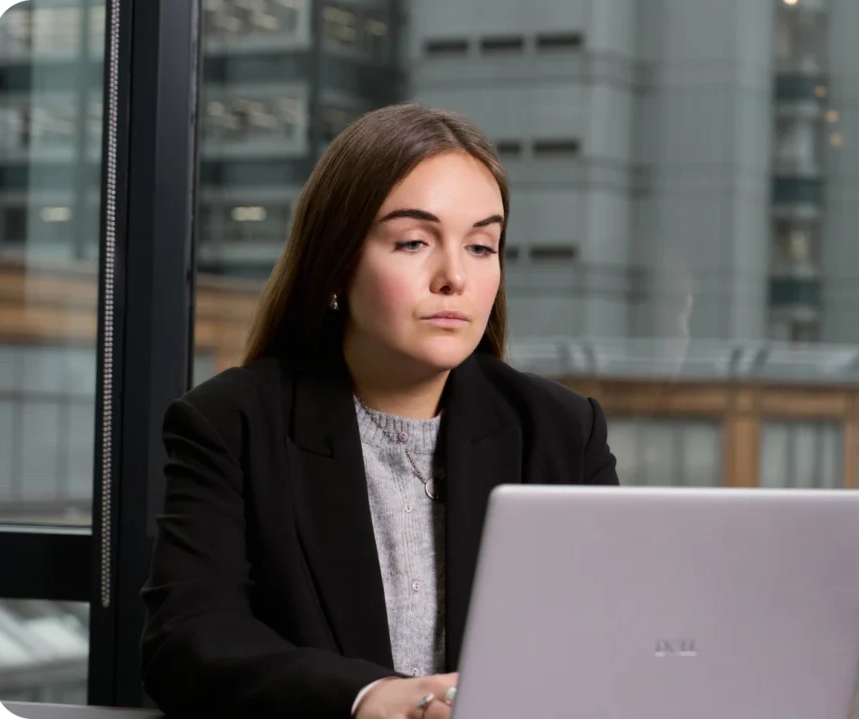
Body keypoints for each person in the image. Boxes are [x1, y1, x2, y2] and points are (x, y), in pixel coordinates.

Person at [140, 103, 619, 718]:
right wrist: (372, 697)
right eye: (415, 241)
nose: (454, 277)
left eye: (481, 245)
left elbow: (608, 642)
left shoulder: (562, 430)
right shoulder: (232, 423)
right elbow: (187, 644)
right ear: (337, 262)